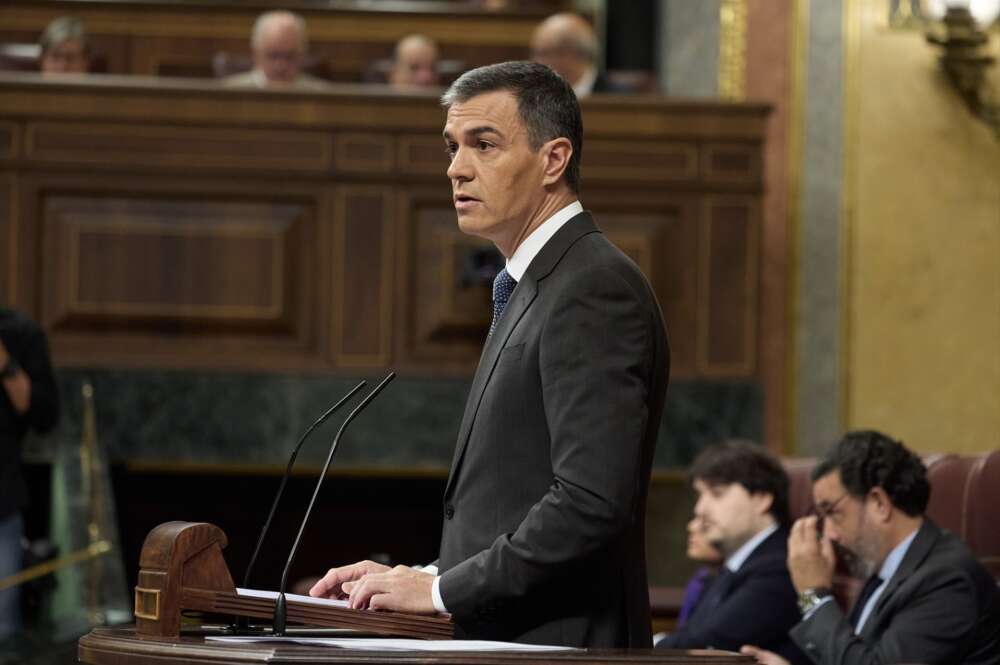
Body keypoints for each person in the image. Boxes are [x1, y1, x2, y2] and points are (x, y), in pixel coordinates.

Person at [310, 61, 670, 648]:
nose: (456, 168)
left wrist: (437, 595)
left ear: (553, 160)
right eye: (452, 147)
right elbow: (512, 502)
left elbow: (590, 502)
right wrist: (425, 577)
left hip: (560, 647)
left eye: (484, 144)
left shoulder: (591, 286)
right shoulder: (534, 284)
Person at [742, 430, 1000, 665]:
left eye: (833, 513)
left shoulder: (946, 580)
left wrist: (812, 593)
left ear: (878, 503)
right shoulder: (885, 566)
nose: (829, 534)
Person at [656, 441, 807, 663]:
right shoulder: (734, 565)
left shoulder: (780, 567)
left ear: (762, 499)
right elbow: (690, 635)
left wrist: (644, 645)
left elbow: (704, 646)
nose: (700, 509)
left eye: (717, 494)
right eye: (700, 495)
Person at [0, 306, 59, 639]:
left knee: (3, 632)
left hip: (2, 507)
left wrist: (5, 364)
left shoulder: (21, 331)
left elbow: (45, 416)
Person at [223, 11, 328, 90]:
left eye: (290, 56)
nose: (281, 66)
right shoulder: (229, 92)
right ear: (255, 54)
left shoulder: (323, 95)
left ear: (303, 54)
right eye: (273, 55)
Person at [529, 13, 620, 97]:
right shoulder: (532, 96)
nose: (535, 61)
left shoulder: (618, 97)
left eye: (543, 53)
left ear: (572, 54)